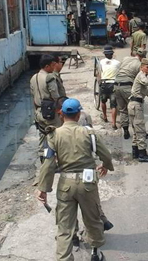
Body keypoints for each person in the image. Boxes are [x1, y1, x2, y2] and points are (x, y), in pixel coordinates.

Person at [35, 98, 114, 261]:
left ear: (61, 114)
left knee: (64, 226)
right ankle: (95, 253)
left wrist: (42, 189)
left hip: (66, 185)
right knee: (92, 219)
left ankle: (64, 258)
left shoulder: (54, 135)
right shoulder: (89, 133)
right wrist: (106, 165)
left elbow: (48, 164)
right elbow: (105, 154)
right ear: (79, 115)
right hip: (88, 184)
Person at [30, 54, 61, 162]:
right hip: (50, 112)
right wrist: (59, 109)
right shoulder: (49, 77)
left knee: (42, 135)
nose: (54, 68)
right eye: (52, 65)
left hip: (39, 111)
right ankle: (56, 159)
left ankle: (42, 157)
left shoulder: (34, 77)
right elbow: (55, 96)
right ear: (47, 66)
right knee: (57, 134)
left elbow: (33, 97)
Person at [114, 48, 147, 140]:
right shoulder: (140, 65)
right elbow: (141, 81)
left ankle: (125, 131)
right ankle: (138, 132)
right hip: (127, 86)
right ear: (143, 57)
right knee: (134, 109)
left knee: (123, 109)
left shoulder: (125, 58)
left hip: (116, 85)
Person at [97, 45, 121, 129]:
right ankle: (114, 123)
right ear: (112, 54)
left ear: (105, 54)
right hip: (113, 85)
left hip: (104, 83)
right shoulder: (117, 63)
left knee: (103, 101)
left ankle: (104, 116)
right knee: (113, 105)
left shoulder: (101, 62)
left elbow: (98, 73)